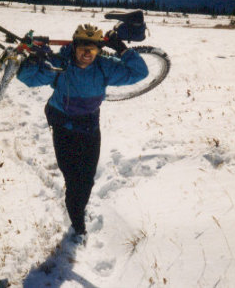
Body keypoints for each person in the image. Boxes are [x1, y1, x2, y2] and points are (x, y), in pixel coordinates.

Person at [16, 23, 148, 239]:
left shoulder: (105, 66)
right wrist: (34, 58)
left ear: (99, 50)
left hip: (89, 128)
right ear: (74, 46)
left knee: (86, 181)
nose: (87, 54)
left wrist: (122, 49)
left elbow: (140, 72)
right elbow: (28, 78)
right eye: (82, 48)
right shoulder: (60, 64)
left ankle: (78, 213)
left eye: (92, 48)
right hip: (63, 128)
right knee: (72, 178)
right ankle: (78, 221)